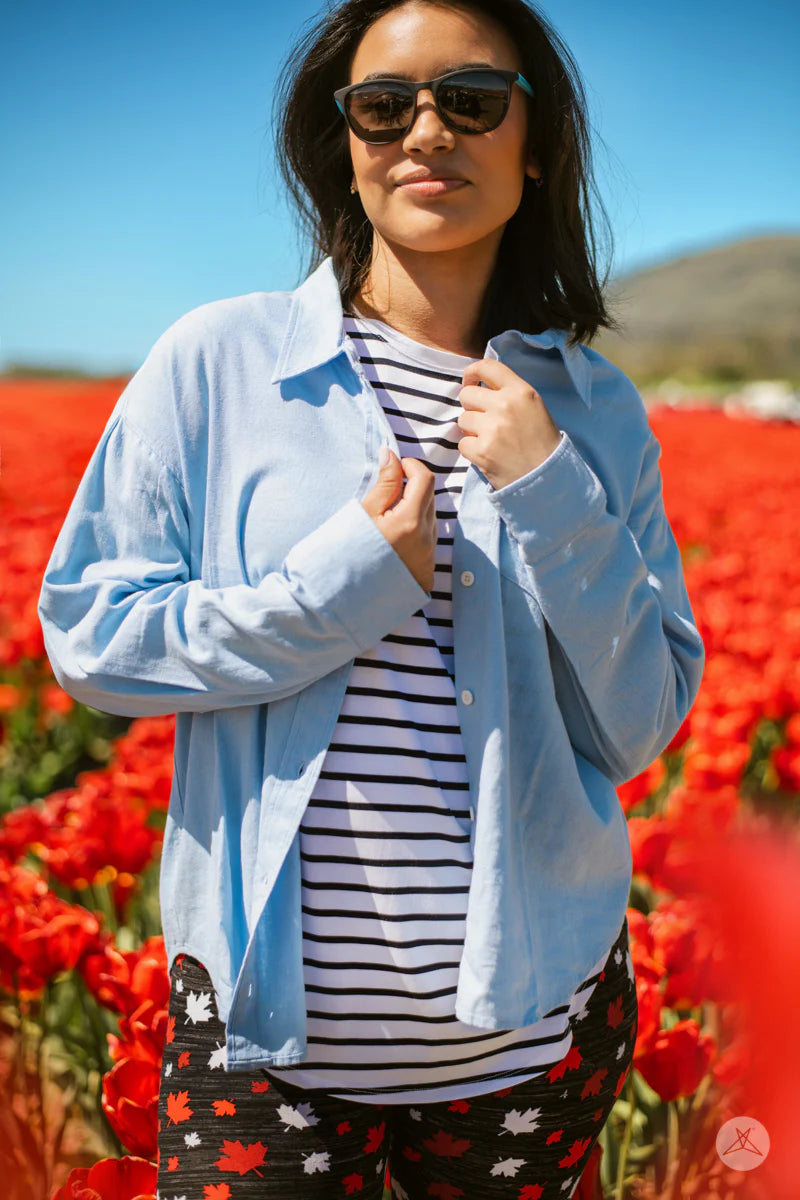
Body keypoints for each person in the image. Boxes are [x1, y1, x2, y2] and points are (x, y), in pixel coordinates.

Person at [37, 0, 705, 1195]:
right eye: (384, 105)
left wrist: (552, 491)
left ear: (533, 140)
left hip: (532, 1037)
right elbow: (91, 634)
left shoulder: (590, 411)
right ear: (341, 142)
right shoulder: (221, 363)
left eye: (472, 101)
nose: (426, 133)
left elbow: (639, 721)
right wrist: (332, 592)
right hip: (265, 1043)